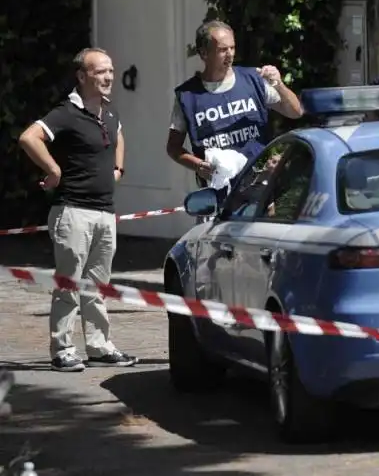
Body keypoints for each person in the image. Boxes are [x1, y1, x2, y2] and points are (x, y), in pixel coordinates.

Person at [18, 48, 137, 372]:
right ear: (82, 77)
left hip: (104, 213)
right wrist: (54, 171)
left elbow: (119, 138)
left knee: (98, 286)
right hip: (73, 212)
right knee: (69, 284)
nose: (108, 77)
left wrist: (118, 170)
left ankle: (99, 346)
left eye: (110, 70)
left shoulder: (109, 114)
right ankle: (63, 349)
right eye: (100, 72)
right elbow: (30, 137)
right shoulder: (67, 112)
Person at [166, 20, 304, 187]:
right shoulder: (187, 96)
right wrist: (199, 166)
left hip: (259, 187)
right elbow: (173, 148)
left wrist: (279, 85)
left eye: (232, 47)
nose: (230, 54)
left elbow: (295, 112)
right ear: (204, 53)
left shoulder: (254, 80)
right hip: (218, 191)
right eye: (223, 50)